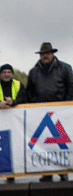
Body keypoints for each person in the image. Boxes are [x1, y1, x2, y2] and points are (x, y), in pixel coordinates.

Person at [26, 42, 73, 182]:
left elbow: (71, 88)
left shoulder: (65, 68)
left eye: (47, 53)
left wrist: (64, 106)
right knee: (44, 143)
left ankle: (62, 170)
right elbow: (30, 92)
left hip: (61, 113)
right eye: (42, 54)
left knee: (61, 144)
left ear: (52, 53)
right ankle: (47, 171)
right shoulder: (33, 71)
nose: (44, 56)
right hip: (41, 114)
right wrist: (35, 106)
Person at [0, 63, 26, 183]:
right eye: (4, 72)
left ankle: (16, 169)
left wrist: (13, 102)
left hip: (16, 121)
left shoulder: (19, 85)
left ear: (12, 74)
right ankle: (6, 170)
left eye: (9, 72)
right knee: (3, 146)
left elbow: (25, 98)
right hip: (0, 121)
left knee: (17, 144)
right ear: (0, 75)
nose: (6, 74)